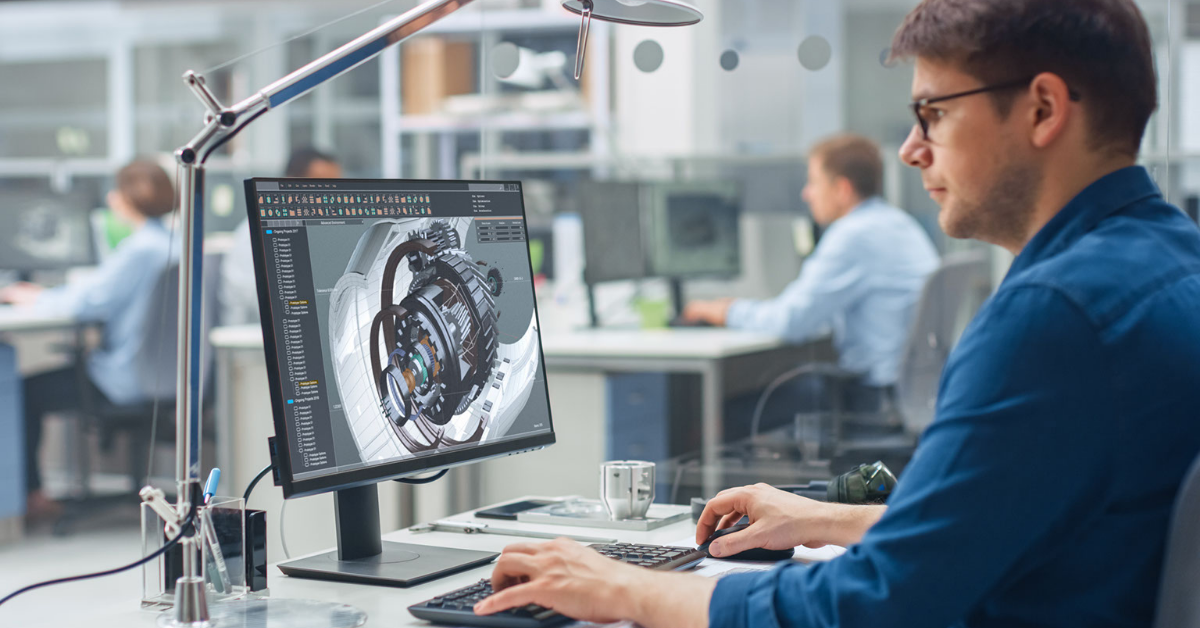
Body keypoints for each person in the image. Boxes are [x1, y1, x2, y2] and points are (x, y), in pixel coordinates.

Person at [471, 1, 1200, 626]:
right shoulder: (1167, 259)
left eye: (933, 113)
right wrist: (824, 518)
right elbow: (1009, 519)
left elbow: (875, 603)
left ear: (1043, 108)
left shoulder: (1055, 317)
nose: (912, 150)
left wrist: (623, 586)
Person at [682, 135, 938, 392]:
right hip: (914, 388)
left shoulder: (852, 235)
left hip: (874, 393)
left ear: (842, 190)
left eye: (814, 182)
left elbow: (790, 322)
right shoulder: (900, 223)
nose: (806, 194)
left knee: (739, 405)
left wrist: (726, 311)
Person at [0, 159, 178, 522]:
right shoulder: (173, 244)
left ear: (127, 199)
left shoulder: (140, 250)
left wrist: (33, 296)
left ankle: (31, 497)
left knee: (23, 391)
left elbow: (88, 303)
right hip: (170, 376)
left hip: (124, 379)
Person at [219, 147, 342, 325]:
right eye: (323, 185)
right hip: (256, 340)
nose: (332, 197)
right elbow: (268, 304)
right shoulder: (255, 233)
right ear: (290, 183)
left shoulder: (320, 232)